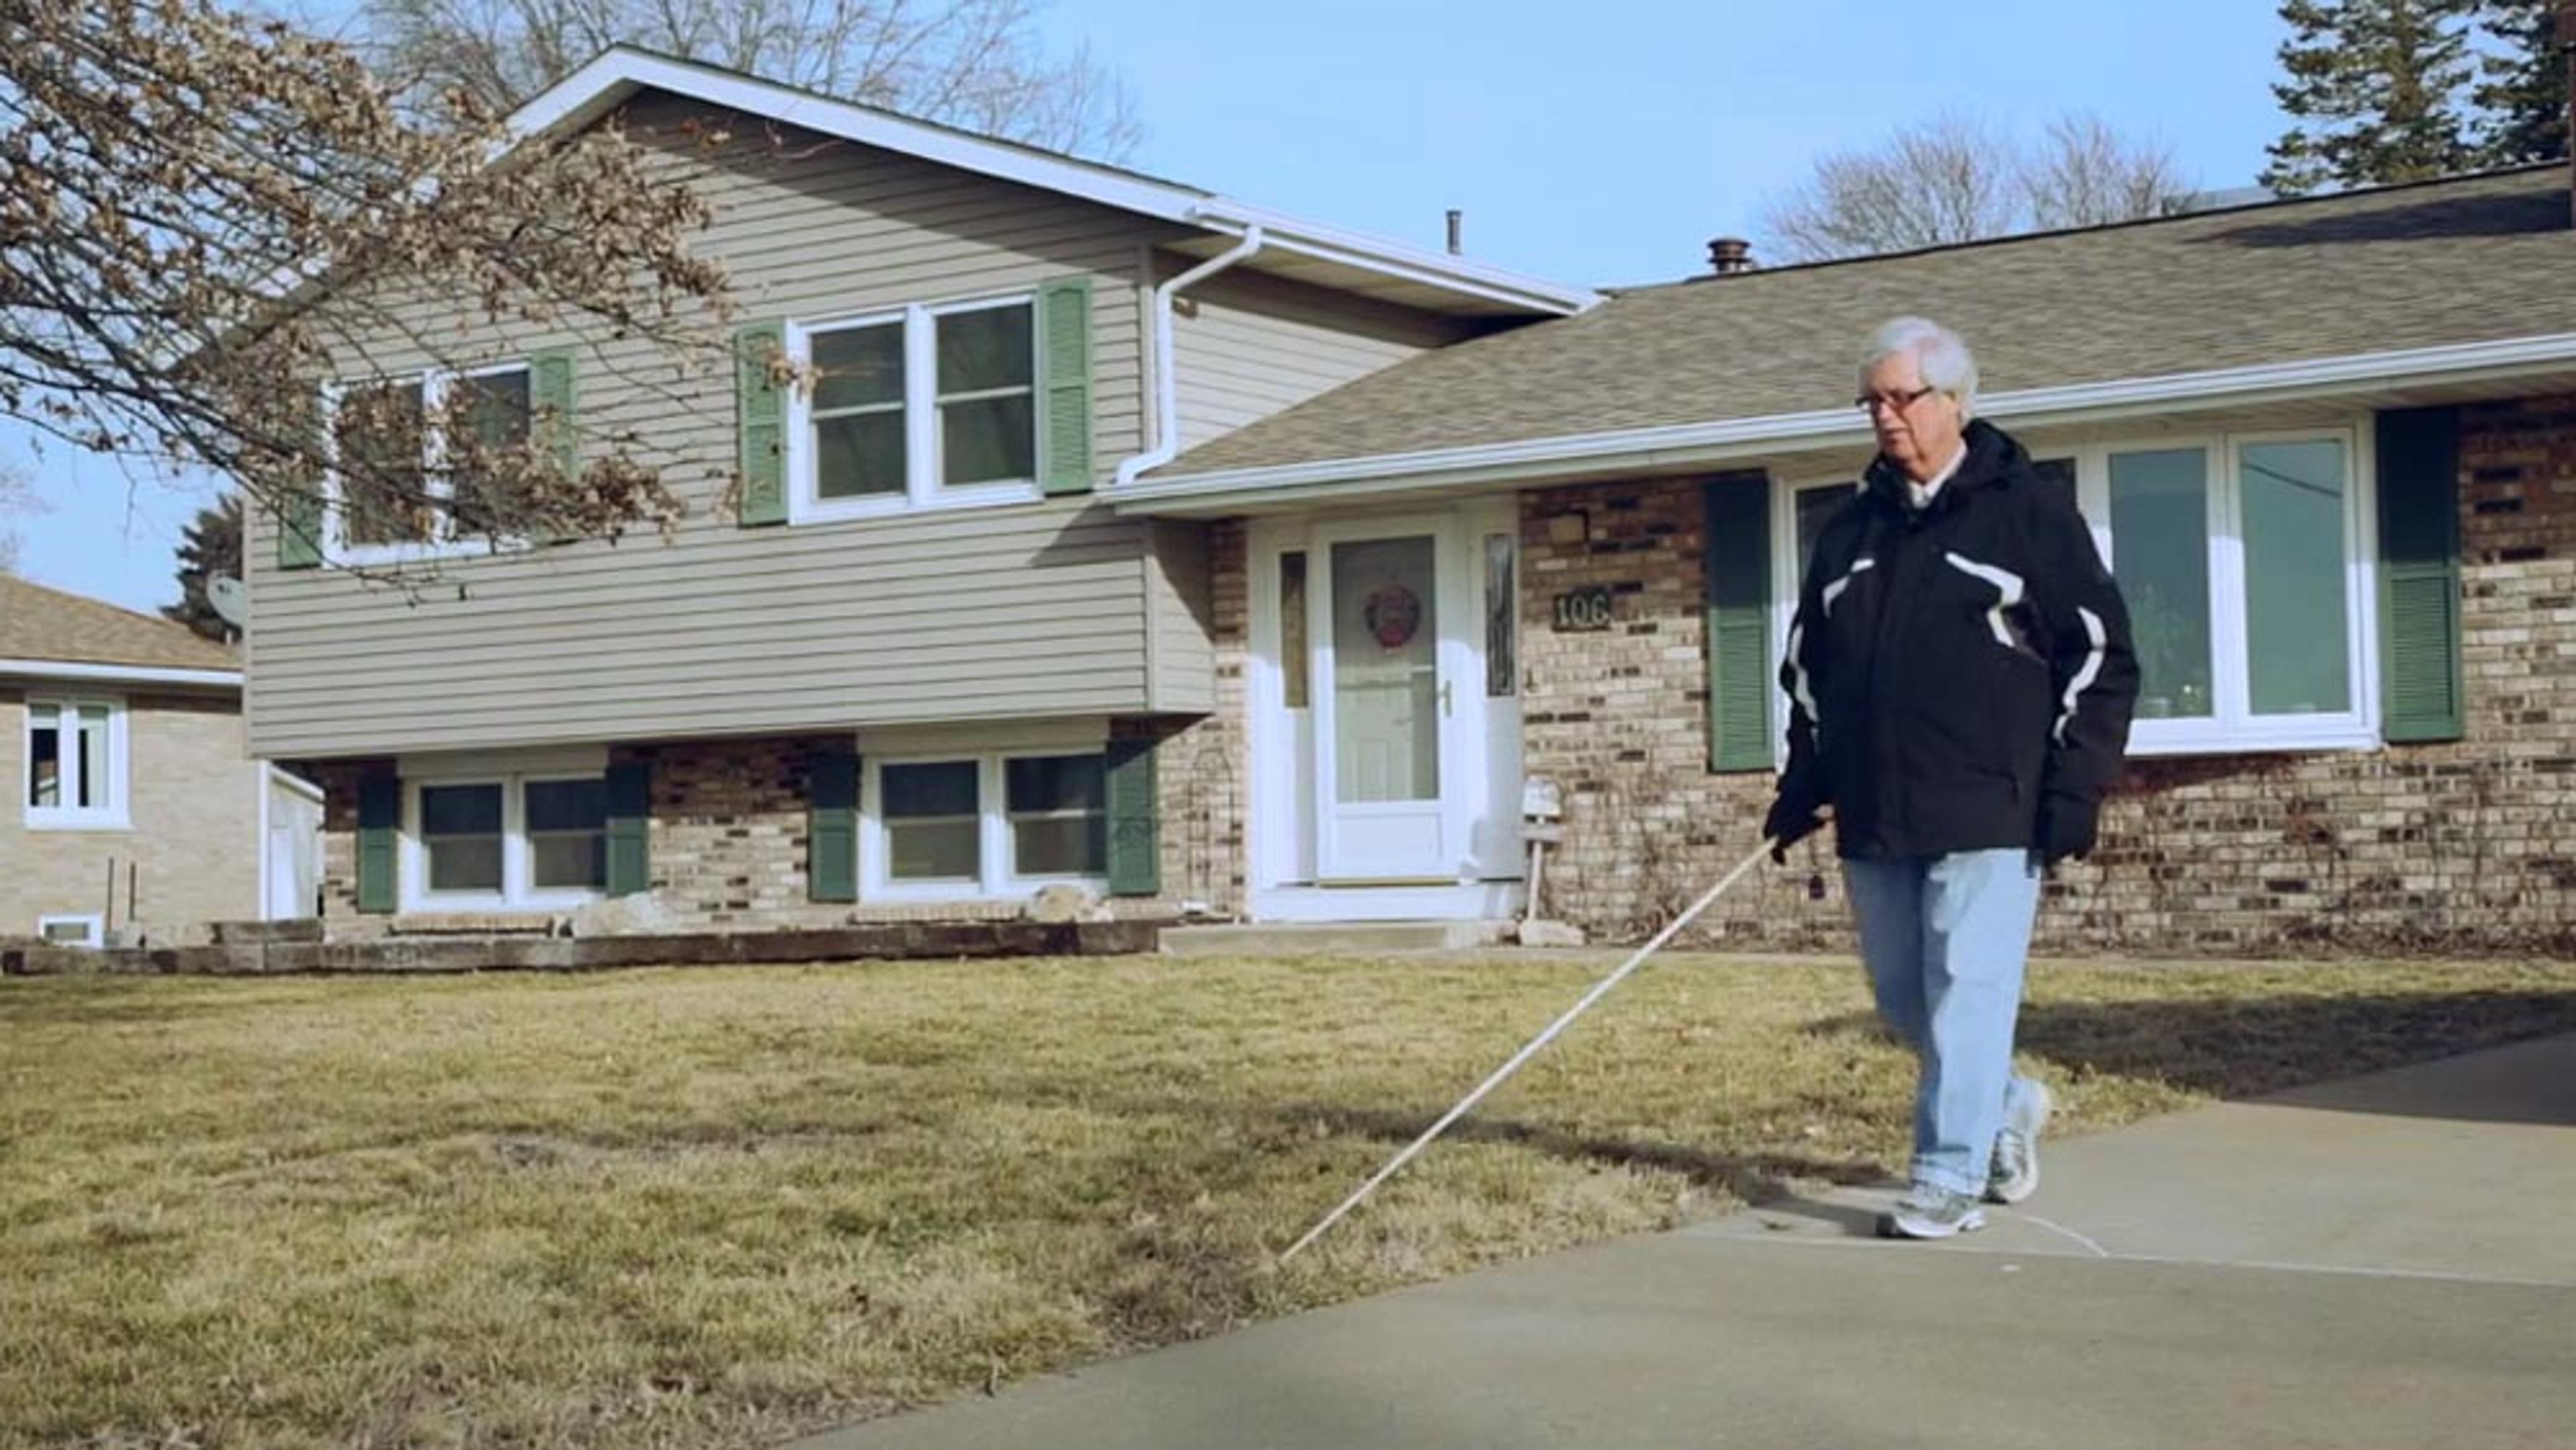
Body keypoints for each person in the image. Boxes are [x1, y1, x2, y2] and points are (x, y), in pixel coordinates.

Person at [1764, 317, 2138, 1240]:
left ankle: (1947, 1173)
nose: (1887, 417)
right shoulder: (1849, 530)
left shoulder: (2028, 515)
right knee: (1906, 997)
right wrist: (1803, 777)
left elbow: (2100, 657)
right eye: (1874, 401)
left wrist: (2073, 788)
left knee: (1969, 988)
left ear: (1957, 402)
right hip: (1879, 805)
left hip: (1991, 800)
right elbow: (1810, 667)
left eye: (1904, 397)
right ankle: (2005, 1104)